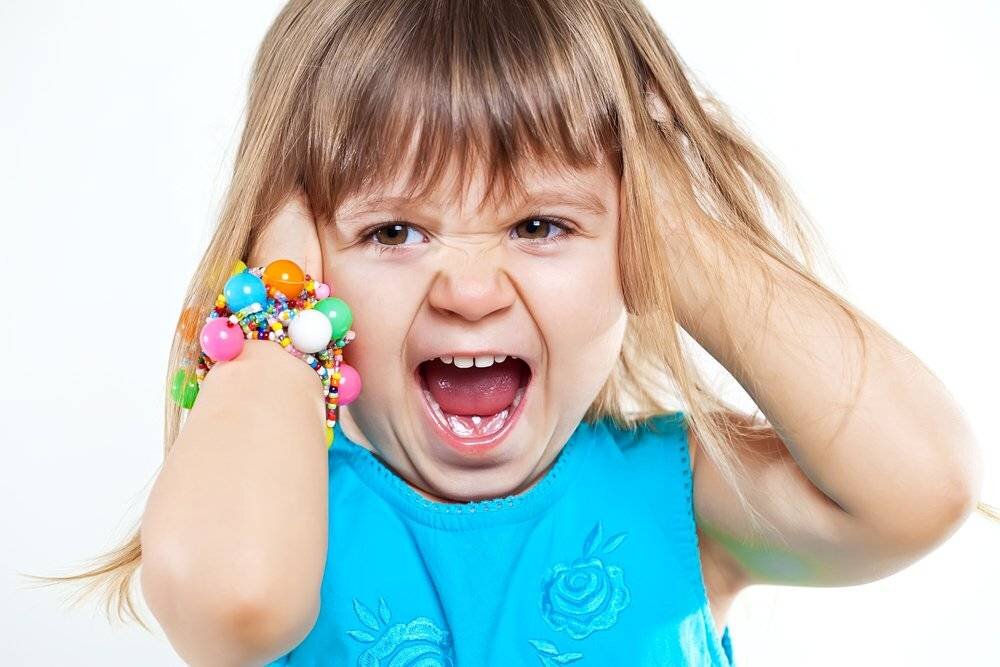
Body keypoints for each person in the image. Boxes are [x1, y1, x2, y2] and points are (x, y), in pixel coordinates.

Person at [29, 0, 995, 664]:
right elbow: (232, 600)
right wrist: (276, 298)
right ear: (308, 260)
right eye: (392, 231)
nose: (470, 288)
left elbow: (922, 486)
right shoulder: (275, 506)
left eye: (540, 224)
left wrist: (680, 238)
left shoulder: (682, 498)